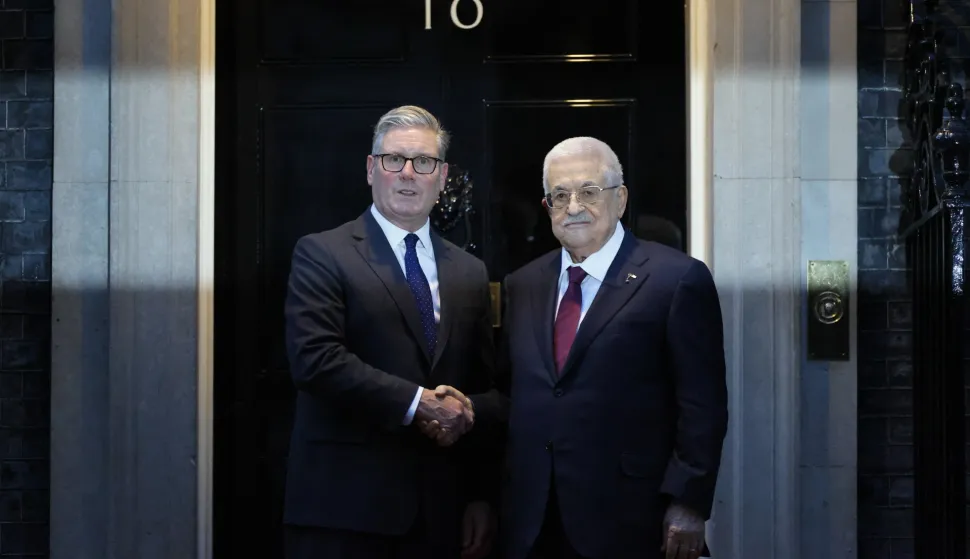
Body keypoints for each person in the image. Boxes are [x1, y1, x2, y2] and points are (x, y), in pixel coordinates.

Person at [281, 105, 504, 559]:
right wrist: (419, 403)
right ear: (371, 169)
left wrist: (480, 495)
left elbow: (480, 385)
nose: (407, 173)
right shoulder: (322, 253)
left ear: (442, 177)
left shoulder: (470, 271)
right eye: (394, 159)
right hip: (344, 511)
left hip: (440, 513)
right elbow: (316, 361)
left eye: (423, 162)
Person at [493, 136, 728, 559]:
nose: (573, 207)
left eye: (589, 192)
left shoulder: (676, 280)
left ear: (620, 199)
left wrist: (688, 502)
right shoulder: (523, 283)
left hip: (632, 517)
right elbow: (513, 393)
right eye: (560, 195)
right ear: (546, 206)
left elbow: (703, 405)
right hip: (532, 519)